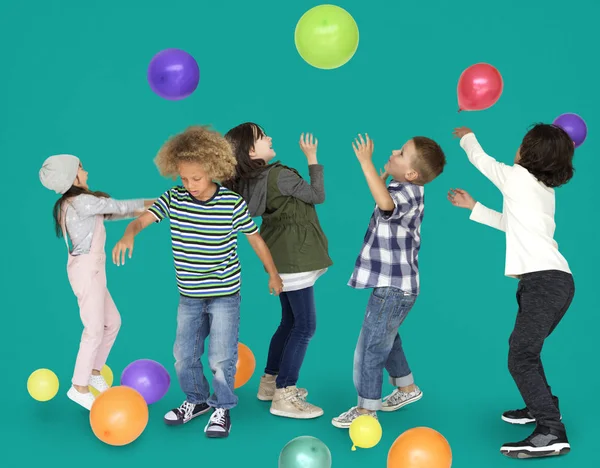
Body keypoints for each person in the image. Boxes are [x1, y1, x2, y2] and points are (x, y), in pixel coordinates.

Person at [112, 125, 283, 438]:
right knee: (184, 355)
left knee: (221, 356)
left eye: (196, 178)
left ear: (214, 170)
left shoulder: (231, 204)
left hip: (224, 295)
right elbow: (142, 219)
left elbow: (255, 239)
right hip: (189, 296)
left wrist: (272, 273)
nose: (189, 185)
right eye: (183, 178)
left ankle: (222, 407)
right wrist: (129, 233)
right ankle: (197, 400)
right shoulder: (175, 199)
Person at [448, 124, 575, 459]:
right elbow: (511, 225)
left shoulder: (518, 178)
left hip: (543, 283)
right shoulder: (543, 191)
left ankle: (551, 430)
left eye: (521, 144)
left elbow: (482, 161)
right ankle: (543, 406)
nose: (516, 149)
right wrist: (473, 207)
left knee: (520, 355)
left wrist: (466, 137)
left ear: (529, 154)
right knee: (527, 352)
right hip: (553, 282)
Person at [332, 133, 446, 428]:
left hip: (393, 289)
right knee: (387, 338)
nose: (394, 150)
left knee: (371, 346)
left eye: (402, 152)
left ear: (411, 173)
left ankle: (366, 409)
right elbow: (383, 195)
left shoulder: (408, 194)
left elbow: (385, 204)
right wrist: (381, 174)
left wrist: (367, 163)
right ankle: (407, 388)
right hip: (396, 287)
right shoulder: (403, 186)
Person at [223, 122, 331, 419]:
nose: (269, 137)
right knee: (305, 325)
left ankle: (269, 383)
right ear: (250, 150)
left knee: (289, 321)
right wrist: (312, 157)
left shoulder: (252, 182)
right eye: (262, 136)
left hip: (280, 258)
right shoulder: (280, 175)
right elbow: (317, 195)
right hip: (295, 258)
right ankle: (285, 393)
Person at [39, 154, 153, 410]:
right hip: (87, 271)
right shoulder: (80, 202)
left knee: (112, 322)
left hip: (94, 271)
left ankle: (93, 371)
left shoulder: (81, 204)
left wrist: (156, 209)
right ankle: (78, 387)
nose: (86, 172)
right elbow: (122, 207)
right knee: (93, 329)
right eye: (81, 168)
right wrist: (160, 201)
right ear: (72, 176)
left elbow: (116, 213)